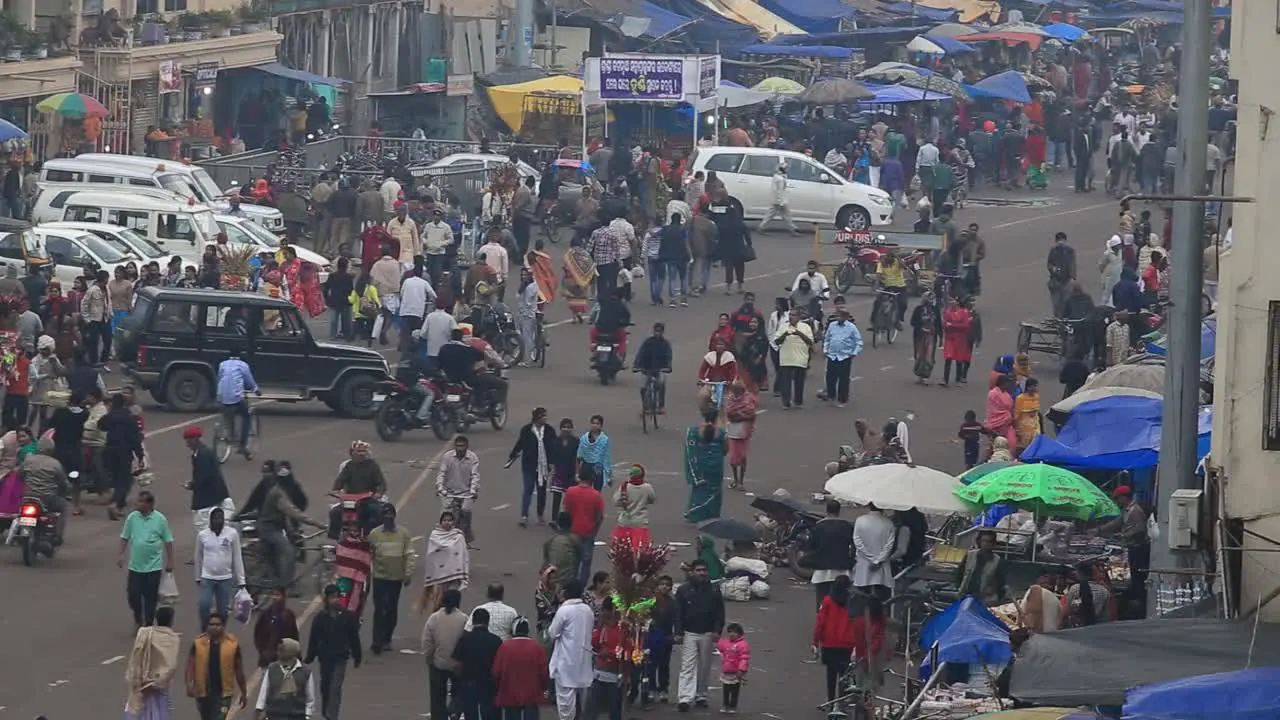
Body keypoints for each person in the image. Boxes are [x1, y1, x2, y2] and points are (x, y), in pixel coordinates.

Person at [304, 584, 362, 720]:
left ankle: (332, 715)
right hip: (325, 658)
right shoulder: (320, 618)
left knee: (335, 687)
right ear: (326, 599)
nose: (335, 600)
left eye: (337, 597)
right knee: (325, 686)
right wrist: (309, 657)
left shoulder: (348, 617)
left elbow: (354, 638)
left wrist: (357, 656)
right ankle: (326, 711)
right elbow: (314, 638)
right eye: (332, 597)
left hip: (341, 658)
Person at [118, 490, 175, 628]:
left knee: (150, 598)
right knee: (133, 596)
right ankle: (138, 617)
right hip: (135, 567)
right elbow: (124, 537)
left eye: (141, 501)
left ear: (149, 504)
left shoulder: (160, 519)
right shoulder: (132, 517)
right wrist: (120, 554)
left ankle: (148, 624)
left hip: (153, 567)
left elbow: (168, 541)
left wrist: (170, 562)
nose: (137, 504)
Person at [674, 558, 725, 712]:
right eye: (698, 570)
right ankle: (684, 698)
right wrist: (678, 632)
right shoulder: (683, 590)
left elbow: (720, 613)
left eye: (704, 570)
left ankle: (701, 695)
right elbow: (678, 613)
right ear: (692, 572)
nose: (701, 573)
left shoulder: (714, 590)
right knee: (688, 665)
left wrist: (717, 631)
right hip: (689, 633)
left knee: (705, 666)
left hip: (708, 633)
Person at [1094, 485, 1150, 618]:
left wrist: (1124, 535)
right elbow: (1116, 523)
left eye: (1118, 499)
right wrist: (1099, 530)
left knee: (1138, 577)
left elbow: (1140, 529)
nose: (1117, 502)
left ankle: (1140, 605)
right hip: (1132, 548)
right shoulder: (1126, 511)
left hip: (1139, 549)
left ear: (1125, 497)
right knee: (1135, 576)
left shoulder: (1135, 511)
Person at [367, 504, 415, 654]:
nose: (388, 519)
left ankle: (387, 638)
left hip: (396, 578)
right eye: (385, 517)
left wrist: (408, 573)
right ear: (382, 518)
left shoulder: (403, 534)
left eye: (391, 517)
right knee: (380, 609)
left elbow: (409, 554)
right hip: (380, 577)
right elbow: (368, 555)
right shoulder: (374, 534)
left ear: (394, 517)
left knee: (391, 609)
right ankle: (377, 641)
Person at [186, 611, 249, 720]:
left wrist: (244, 692)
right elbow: (190, 665)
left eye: (217, 624)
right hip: (203, 693)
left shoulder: (232, 645)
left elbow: (238, 670)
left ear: (223, 626)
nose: (214, 627)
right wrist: (189, 684)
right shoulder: (198, 644)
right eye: (211, 624)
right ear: (207, 626)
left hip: (224, 694)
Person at [549, 578, 596, 720]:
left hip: (566, 663)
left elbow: (553, 633)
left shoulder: (565, 610)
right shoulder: (588, 610)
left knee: (566, 705)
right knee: (581, 700)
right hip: (583, 663)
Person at [125, 605, 182, 720]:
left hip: (141, 683)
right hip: (158, 687)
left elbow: (135, 657)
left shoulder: (144, 632)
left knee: (139, 712)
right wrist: (154, 684)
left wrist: (137, 680)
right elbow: (170, 667)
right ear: (171, 621)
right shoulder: (172, 639)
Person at [195, 506, 246, 632]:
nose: (218, 521)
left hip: (225, 578)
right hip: (207, 577)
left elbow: (237, 557)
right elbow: (198, 557)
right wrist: (197, 576)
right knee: (205, 605)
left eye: (221, 518)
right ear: (210, 519)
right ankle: (205, 630)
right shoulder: (202, 535)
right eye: (215, 518)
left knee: (223, 611)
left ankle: (220, 631)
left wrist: (241, 580)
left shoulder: (232, 534)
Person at [423, 588, 468, 720]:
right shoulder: (463, 618)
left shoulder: (434, 618)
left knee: (437, 695)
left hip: (438, 662)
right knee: (458, 691)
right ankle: (454, 712)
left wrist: (429, 658)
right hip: (457, 664)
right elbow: (466, 640)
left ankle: (438, 716)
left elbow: (427, 641)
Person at [493, 616, 550, 720]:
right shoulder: (537, 647)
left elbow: (497, 671)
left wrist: (498, 688)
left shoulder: (505, 647)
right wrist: (544, 687)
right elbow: (544, 671)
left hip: (509, 691)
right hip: (532, 692)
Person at [508, 407, 556, 527]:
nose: (545, 418)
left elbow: (554, 447)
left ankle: (540, 515)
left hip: (543, 466)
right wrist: (512, 455)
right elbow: (520, 443)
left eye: (545, 416)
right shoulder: (527, 430)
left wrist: (553, 462)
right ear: (537, 418)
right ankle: (524, 515)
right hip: (529, 465)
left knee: (542, 492)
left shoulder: (550, 430)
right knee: (528, 490)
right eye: (543, 416)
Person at [453, 607, 504, 720]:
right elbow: (501, 665)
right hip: (490, 685)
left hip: (469, 683)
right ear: (488, 622)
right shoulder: (496, 640)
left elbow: (456, 664)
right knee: (491, 714)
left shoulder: (465, 639)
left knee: (471, 714)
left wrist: (460, 679)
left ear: (473, 621)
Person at [813, 575, 857, 703]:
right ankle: (842, 701)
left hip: (829, 645)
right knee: (844, 675)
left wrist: (815, 642)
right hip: (847, 645)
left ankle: (831, 700)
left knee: (830, 675)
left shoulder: (827, 601)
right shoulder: (853, 601)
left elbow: (820, 624)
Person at [584, 598, 631, 720]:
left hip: (615, 678)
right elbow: (594, 643)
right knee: (591, 710)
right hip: (599, 675)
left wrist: (609, 653)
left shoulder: (622, 630)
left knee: (614, 711)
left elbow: (626, 652)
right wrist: (599, 628)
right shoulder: (602, 628)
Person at [418, 510, 470, 613]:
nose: (447, 522)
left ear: (453, 522)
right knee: (440, 601)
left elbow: (463, 555)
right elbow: (431, 555)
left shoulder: (459, 536)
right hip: (440, 575)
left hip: (454, 575)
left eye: (450, 520)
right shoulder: (434, 536)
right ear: (441, 522)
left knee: (453, 598)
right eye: (445, 520)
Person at [185, 426, 234, 534]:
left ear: (196, 440)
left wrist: (192, 485)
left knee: (205, 529)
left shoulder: (202, 455)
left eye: (189, 441)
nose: (187, 444)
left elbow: (204, 476)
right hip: (215, 497)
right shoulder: (203, 453)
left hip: (208, 499)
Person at [806, 499, 855, 609]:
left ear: (827, 511)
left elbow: (812, 546)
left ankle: (823, 624)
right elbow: (853, 546)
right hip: (842, 569)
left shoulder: (818, 527)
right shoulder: (847, 526)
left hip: (822, 570)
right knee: (841, 603)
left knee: (822, 602)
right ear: (839, 511)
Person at [254, 637, 317, 720]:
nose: (278, 653)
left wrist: (307, 716)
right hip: (274, 715)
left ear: (290, 652)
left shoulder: (305, 672)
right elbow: (264, 692)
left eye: (281, 650)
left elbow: (310, 698)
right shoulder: (272, 669)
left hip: (297, 716)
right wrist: (258, 710)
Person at [564, 464, 605, 585]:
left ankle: (572, 585)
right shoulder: (596, 495)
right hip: (588, 531)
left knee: (573, 561)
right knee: (586, 563)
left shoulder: (570, 492)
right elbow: (599, 516)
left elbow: (566, 511)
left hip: (573, 531)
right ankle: (582, 587)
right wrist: (594, 530)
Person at [216, 347, 260, 459]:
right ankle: (242, 445)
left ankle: (230, 436)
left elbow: (219, 379)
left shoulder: (222, 364)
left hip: (222, 397)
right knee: (247, 416)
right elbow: (249, 380)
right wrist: (256, 390)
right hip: (236, 397)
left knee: (228, 414)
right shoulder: (242, 365)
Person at [684, 409, 726, 523]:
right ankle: (712, 514)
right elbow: (725, 449)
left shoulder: (694, 431)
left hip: (701, 465)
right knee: (715, 489)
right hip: (716, 465)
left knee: (700, 489)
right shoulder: (721, 432)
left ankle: (696, 513)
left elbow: (690, 449)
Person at [436, 435, 480, 544]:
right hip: (449, 492)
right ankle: (442, 536)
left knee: (465, 510)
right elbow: (442, 473)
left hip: (467, 493)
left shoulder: (473, 458)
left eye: (462, 446)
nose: (460, 448)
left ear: (467, 446)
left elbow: (475, 475)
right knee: (445, 514)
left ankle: (467, 532)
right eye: (458, 446)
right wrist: (440, 487)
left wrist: (473, 491)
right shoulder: (448, 456)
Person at [852, 503, 895, 601]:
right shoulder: (888, 523)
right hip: (882, 566)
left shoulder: (860, 520)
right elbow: (889, 545)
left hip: (864, 564)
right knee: (883, 599)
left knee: (862, 596)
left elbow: (857, 542)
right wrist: (878, 560)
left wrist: (870, 558)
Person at [774, 307, 814, 409]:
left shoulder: (805, 327)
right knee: (785, 382)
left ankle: (798, 401)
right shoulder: (783, 327)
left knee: (799, 381)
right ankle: (786, 402)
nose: (791, 317)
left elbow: (810, 342)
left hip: (800, 359)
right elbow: (776, 341)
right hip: (786, 358)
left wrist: (799, 333)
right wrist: (784, 335)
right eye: (790, 315)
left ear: (799, 317)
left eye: (794, 315)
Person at [955, 530, 1008, 606]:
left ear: (993, 544)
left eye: (989, 542)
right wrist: (959, 589)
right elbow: (959, 574)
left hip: (986, 601)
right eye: (983, 541)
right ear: (979, 542)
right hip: (966, 597)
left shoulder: (998, 561)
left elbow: (1001, 584)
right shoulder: (970, 555)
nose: (985, 544)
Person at [1059, 562, 1118, 629]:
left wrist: (1061, 626)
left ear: (1079, 574)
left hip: (1077, 629)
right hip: (1097, 629)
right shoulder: (1104, 591)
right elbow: (1106, 616)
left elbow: (1066, 612)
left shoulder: (1075, 589)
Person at [822, 309, 862, 406]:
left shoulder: (852, 328)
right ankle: (831, 395)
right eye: (837, 316)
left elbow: (858, 342)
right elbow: (827, 338)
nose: (838, 318)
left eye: (841, 316)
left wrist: (854, 352)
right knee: (830, 377)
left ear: (846, 317)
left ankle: (842, 399)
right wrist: (825, 349)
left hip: (844, 356)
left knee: (843, 378)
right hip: (832, 355)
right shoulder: (832, 326)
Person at [723, 381, 757, 490]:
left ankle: (741, 481)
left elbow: (752, 415)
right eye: (735, 392)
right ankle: (735, 479)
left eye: (738, 392)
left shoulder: (748, 401)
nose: (736, 395)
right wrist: (739, 416)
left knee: (742, 456)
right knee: (733, 457)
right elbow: (729, 414)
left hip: (744, 431)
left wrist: (740, 416)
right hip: (733, 430)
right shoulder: (730, 400)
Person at [634, 322, 673, 414]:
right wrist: (636, 365)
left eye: (659, 331)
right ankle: (645, 406)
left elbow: (669, 356)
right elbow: (640, 354)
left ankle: (661, 406)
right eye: (656, 331)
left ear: (663, 332)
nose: (657, 333)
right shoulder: (648, 342)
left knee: (661, 383)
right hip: (646, 369)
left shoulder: (666, 344)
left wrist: (668, 367)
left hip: (660, 369)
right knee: (643, 387)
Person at [613, 463, 656, 544]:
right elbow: (652, 499)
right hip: (640, 522)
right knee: (638, 549)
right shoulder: (647, 488)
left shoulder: (624, 487)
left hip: (625, 522)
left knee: (623, 550)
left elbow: (616, 501)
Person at [548, 419, 579, 521]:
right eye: (564, 427)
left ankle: (569, 520)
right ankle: (554, 519)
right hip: (558, 472)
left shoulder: (576, 441)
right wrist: (552, 469)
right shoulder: (554, 441)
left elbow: (578, 458)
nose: (566, 429)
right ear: (560, 428)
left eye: (568, 427)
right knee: (556, 497)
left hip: (571, 472)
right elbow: (551, 456)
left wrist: (577, 473)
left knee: (570, 498)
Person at [940, 295, 974, 386]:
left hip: (960, 339)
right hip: (950, 338)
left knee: (959, 359)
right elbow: (945, 325)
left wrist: (952, 325)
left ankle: (958, 379)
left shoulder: (964, 312)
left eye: (953, 301)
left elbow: (965, 326)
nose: (951, 303)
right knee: (948, 358)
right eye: (950, 302)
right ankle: (945, 379)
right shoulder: (947, 312)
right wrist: (955, 326)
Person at [576, 414, 612, 489]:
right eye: (593, 423)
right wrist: (577, 472)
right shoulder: (584, 438)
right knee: (584, 489)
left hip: (598, 467)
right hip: (586, 466)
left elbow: (606, 456)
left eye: (597, 423)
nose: (595, 425)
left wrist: (608, 475)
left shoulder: (604, 439)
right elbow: (579, 455)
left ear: (601, 425)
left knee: (597, 490)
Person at [910, 292, 939, 384]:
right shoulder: (918, 309)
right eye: (928, 299)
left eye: (932, 299)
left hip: (931, 336)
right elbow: (913, 322)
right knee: (919, 356)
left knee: (929, 356)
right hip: (920, 336)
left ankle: (926, 376)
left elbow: (939, 324)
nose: (930, 301)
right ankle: (919, 375)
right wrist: (921, 325)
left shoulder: (935, 310)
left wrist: (941, 337)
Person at [1014, 377, 1043, 453]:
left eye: (1036, 386)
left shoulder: (1037, 397)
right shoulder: (1020, 398)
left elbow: (1037, 410)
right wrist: (1016, 429)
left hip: (1035, 423)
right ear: (1028, 387)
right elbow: (1017, 413)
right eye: (1033, 386)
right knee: (1025, 446)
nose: (1035, 388)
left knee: (1036, 441)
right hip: (1024, 425)